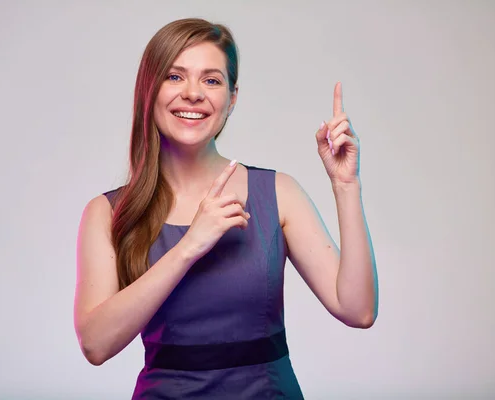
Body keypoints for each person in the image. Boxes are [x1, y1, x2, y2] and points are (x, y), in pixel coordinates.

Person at [74, 18, 378, 399]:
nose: (193, 93)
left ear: (232, 98)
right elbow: (95, 345)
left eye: (211, 80)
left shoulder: (277, 192)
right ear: (149, 90)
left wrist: (345, 185)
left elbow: (358, 310)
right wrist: (188, 247)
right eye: (174, 77)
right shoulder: (107, 212)